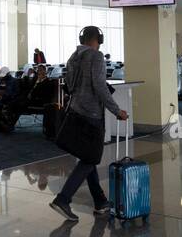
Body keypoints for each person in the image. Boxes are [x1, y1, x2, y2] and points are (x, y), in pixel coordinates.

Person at [50, 26, 128, 221]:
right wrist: (117, 111)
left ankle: (100, 202)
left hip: (75, 111)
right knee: (91, 159)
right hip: (92, 115)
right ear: (98, 39)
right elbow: (100, 86)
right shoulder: (96, 56)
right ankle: (63, 199)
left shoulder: (72, 57)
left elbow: (70, 86)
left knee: (88, 157)